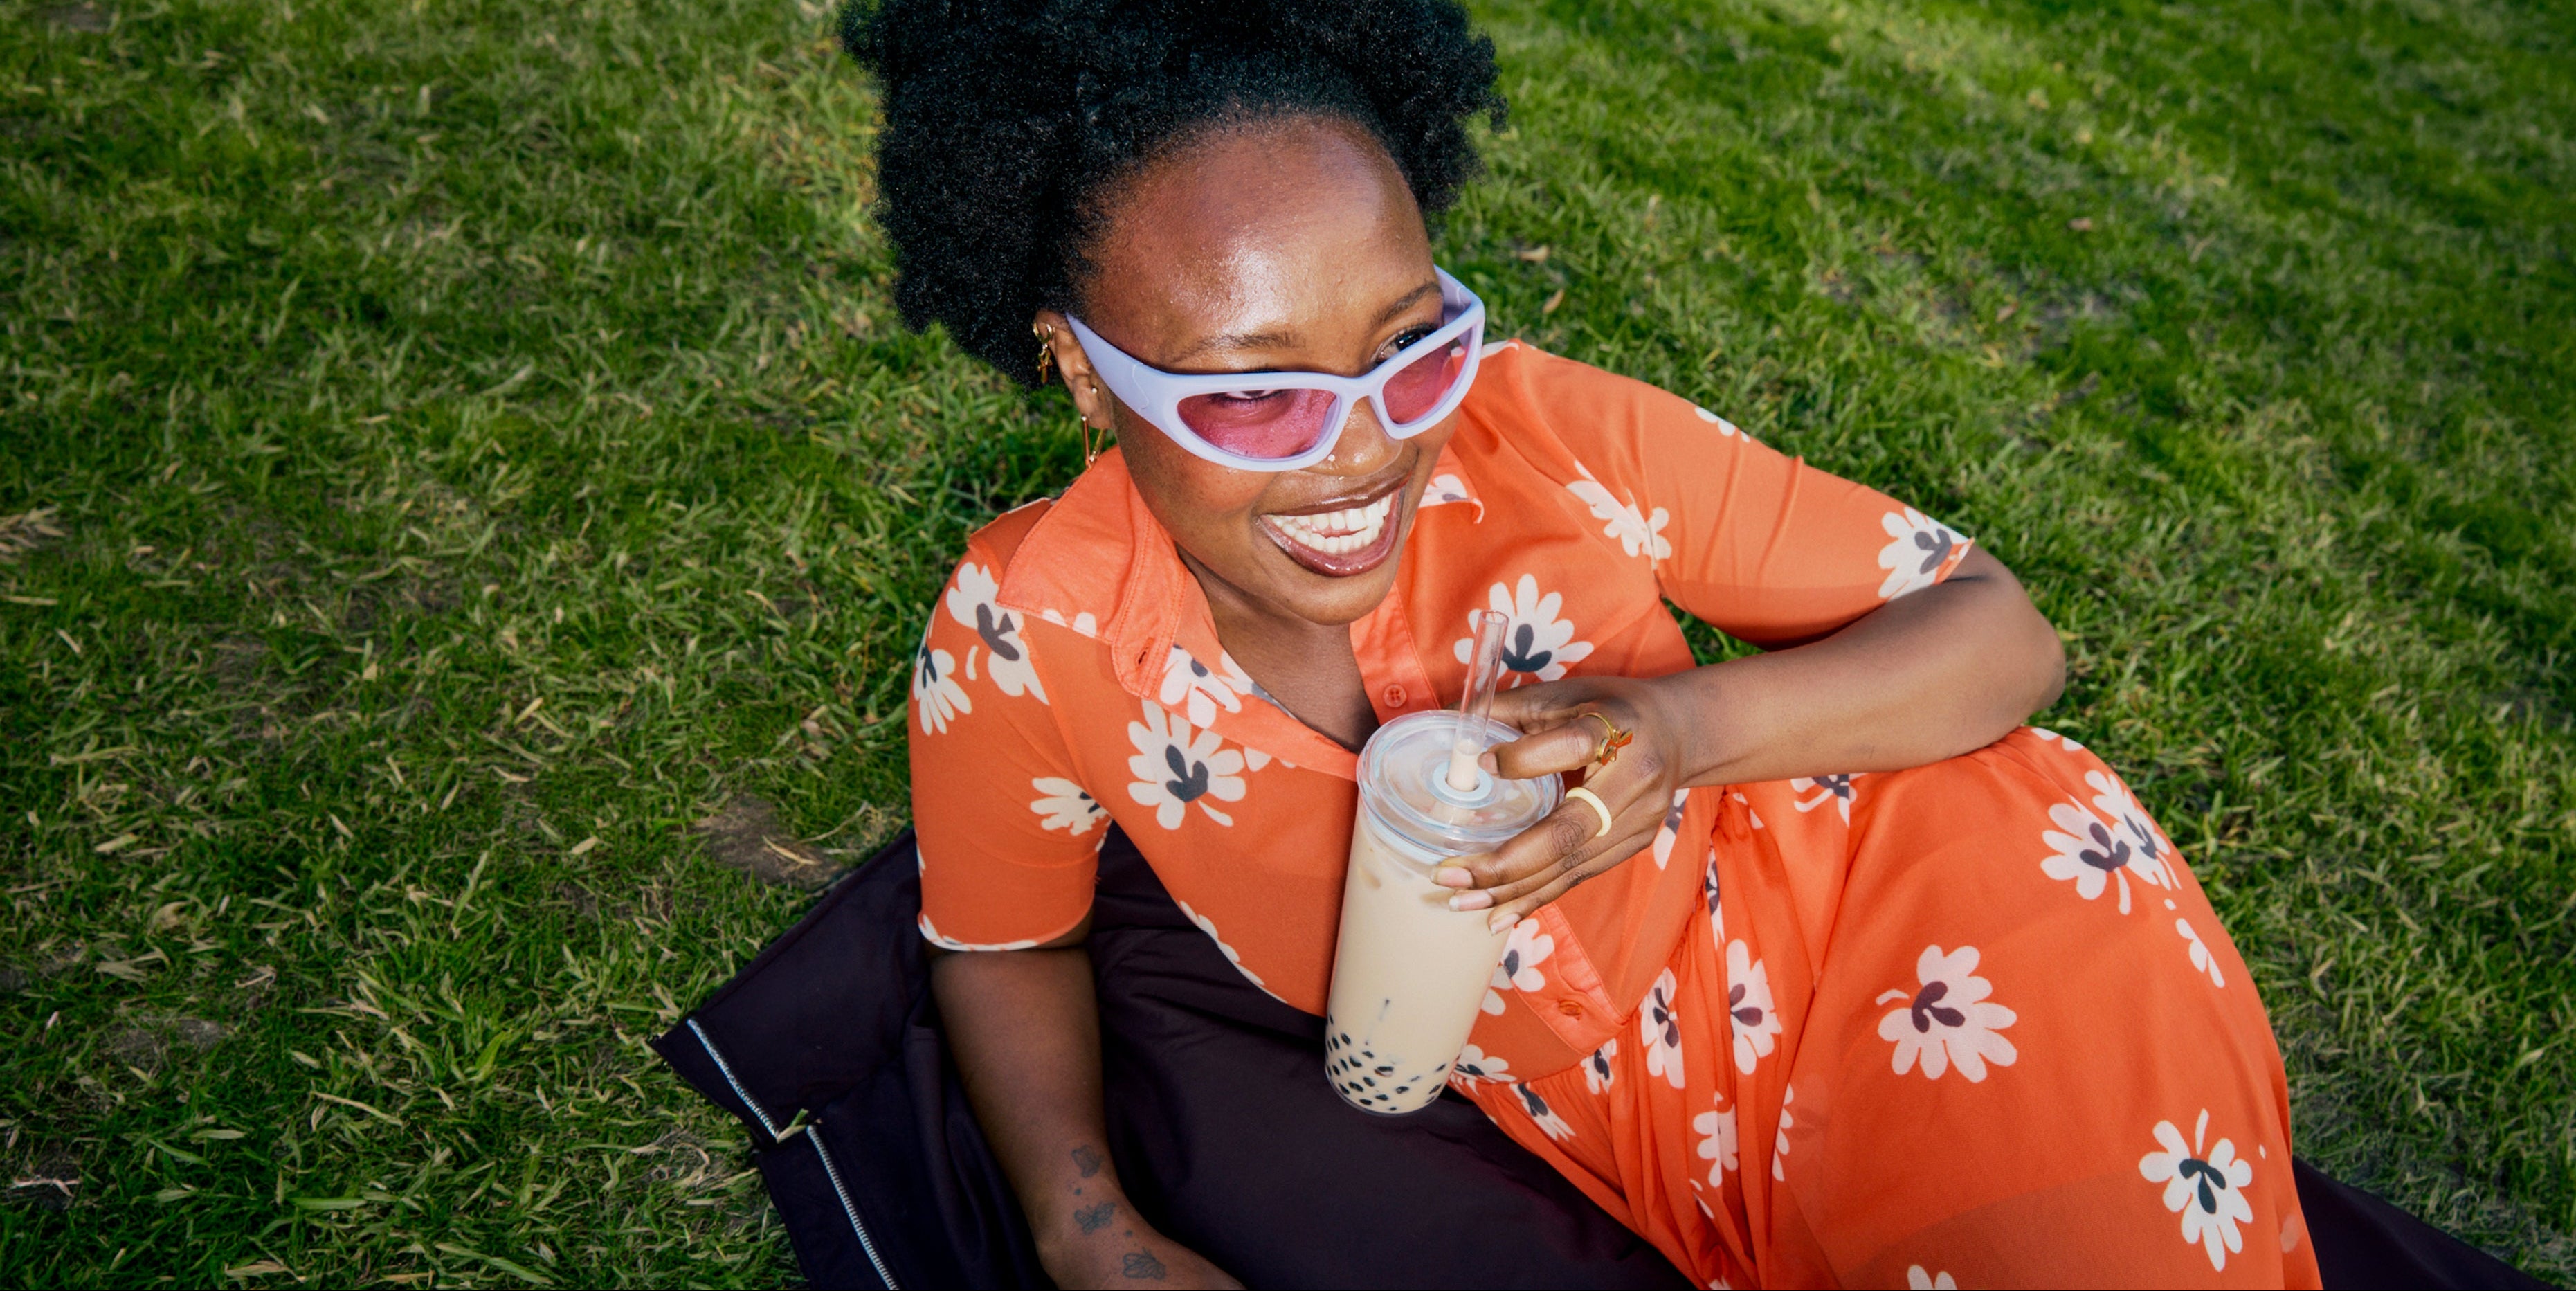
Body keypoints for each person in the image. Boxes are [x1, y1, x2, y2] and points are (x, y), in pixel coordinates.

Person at [862, 0, 2319, 1285]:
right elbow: (1004, 942)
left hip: (1946, 940)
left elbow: (2002, 631)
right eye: (1253, 395)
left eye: (1409, 347)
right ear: (1080, 366)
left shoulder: (1541, 431)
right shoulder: (1026, 633)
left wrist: (1681, 735)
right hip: (1649, 1153)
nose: (1366, 452)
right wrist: (1090, 1237)